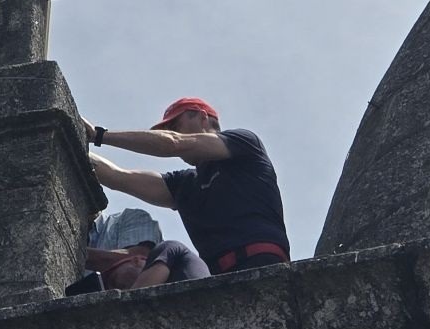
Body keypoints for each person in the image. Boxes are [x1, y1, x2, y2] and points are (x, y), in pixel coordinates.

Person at [83, 97, 292, 274]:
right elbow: (117, 177)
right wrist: (75, 141)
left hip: (263, 262)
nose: (170, 132)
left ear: (202, 116)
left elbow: (173, 142)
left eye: (174, 125)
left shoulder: (245, 143)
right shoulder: (184, 184)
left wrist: (99, 135)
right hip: (217, 278)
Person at [64, 207, 208, 295]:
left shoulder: (128, 219)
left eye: (116, 286)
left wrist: (64, 249)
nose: (115, 293)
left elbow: (139, 258)